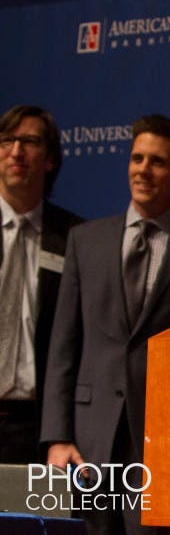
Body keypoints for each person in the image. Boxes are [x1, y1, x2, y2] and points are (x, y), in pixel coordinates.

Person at [41, 114, 170, 534]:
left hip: (157, 443)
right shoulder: (85, 239)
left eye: (157, 162)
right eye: (137, 158)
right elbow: (64, 344)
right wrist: (57, 436)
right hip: (86, 441)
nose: (143, 170)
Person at [0, 106, 82, 463]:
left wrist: (60, 430)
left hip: (37, 429)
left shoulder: (74, 238)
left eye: (30, 141)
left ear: (49, 160)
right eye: (7, 140)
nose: (16, 151)